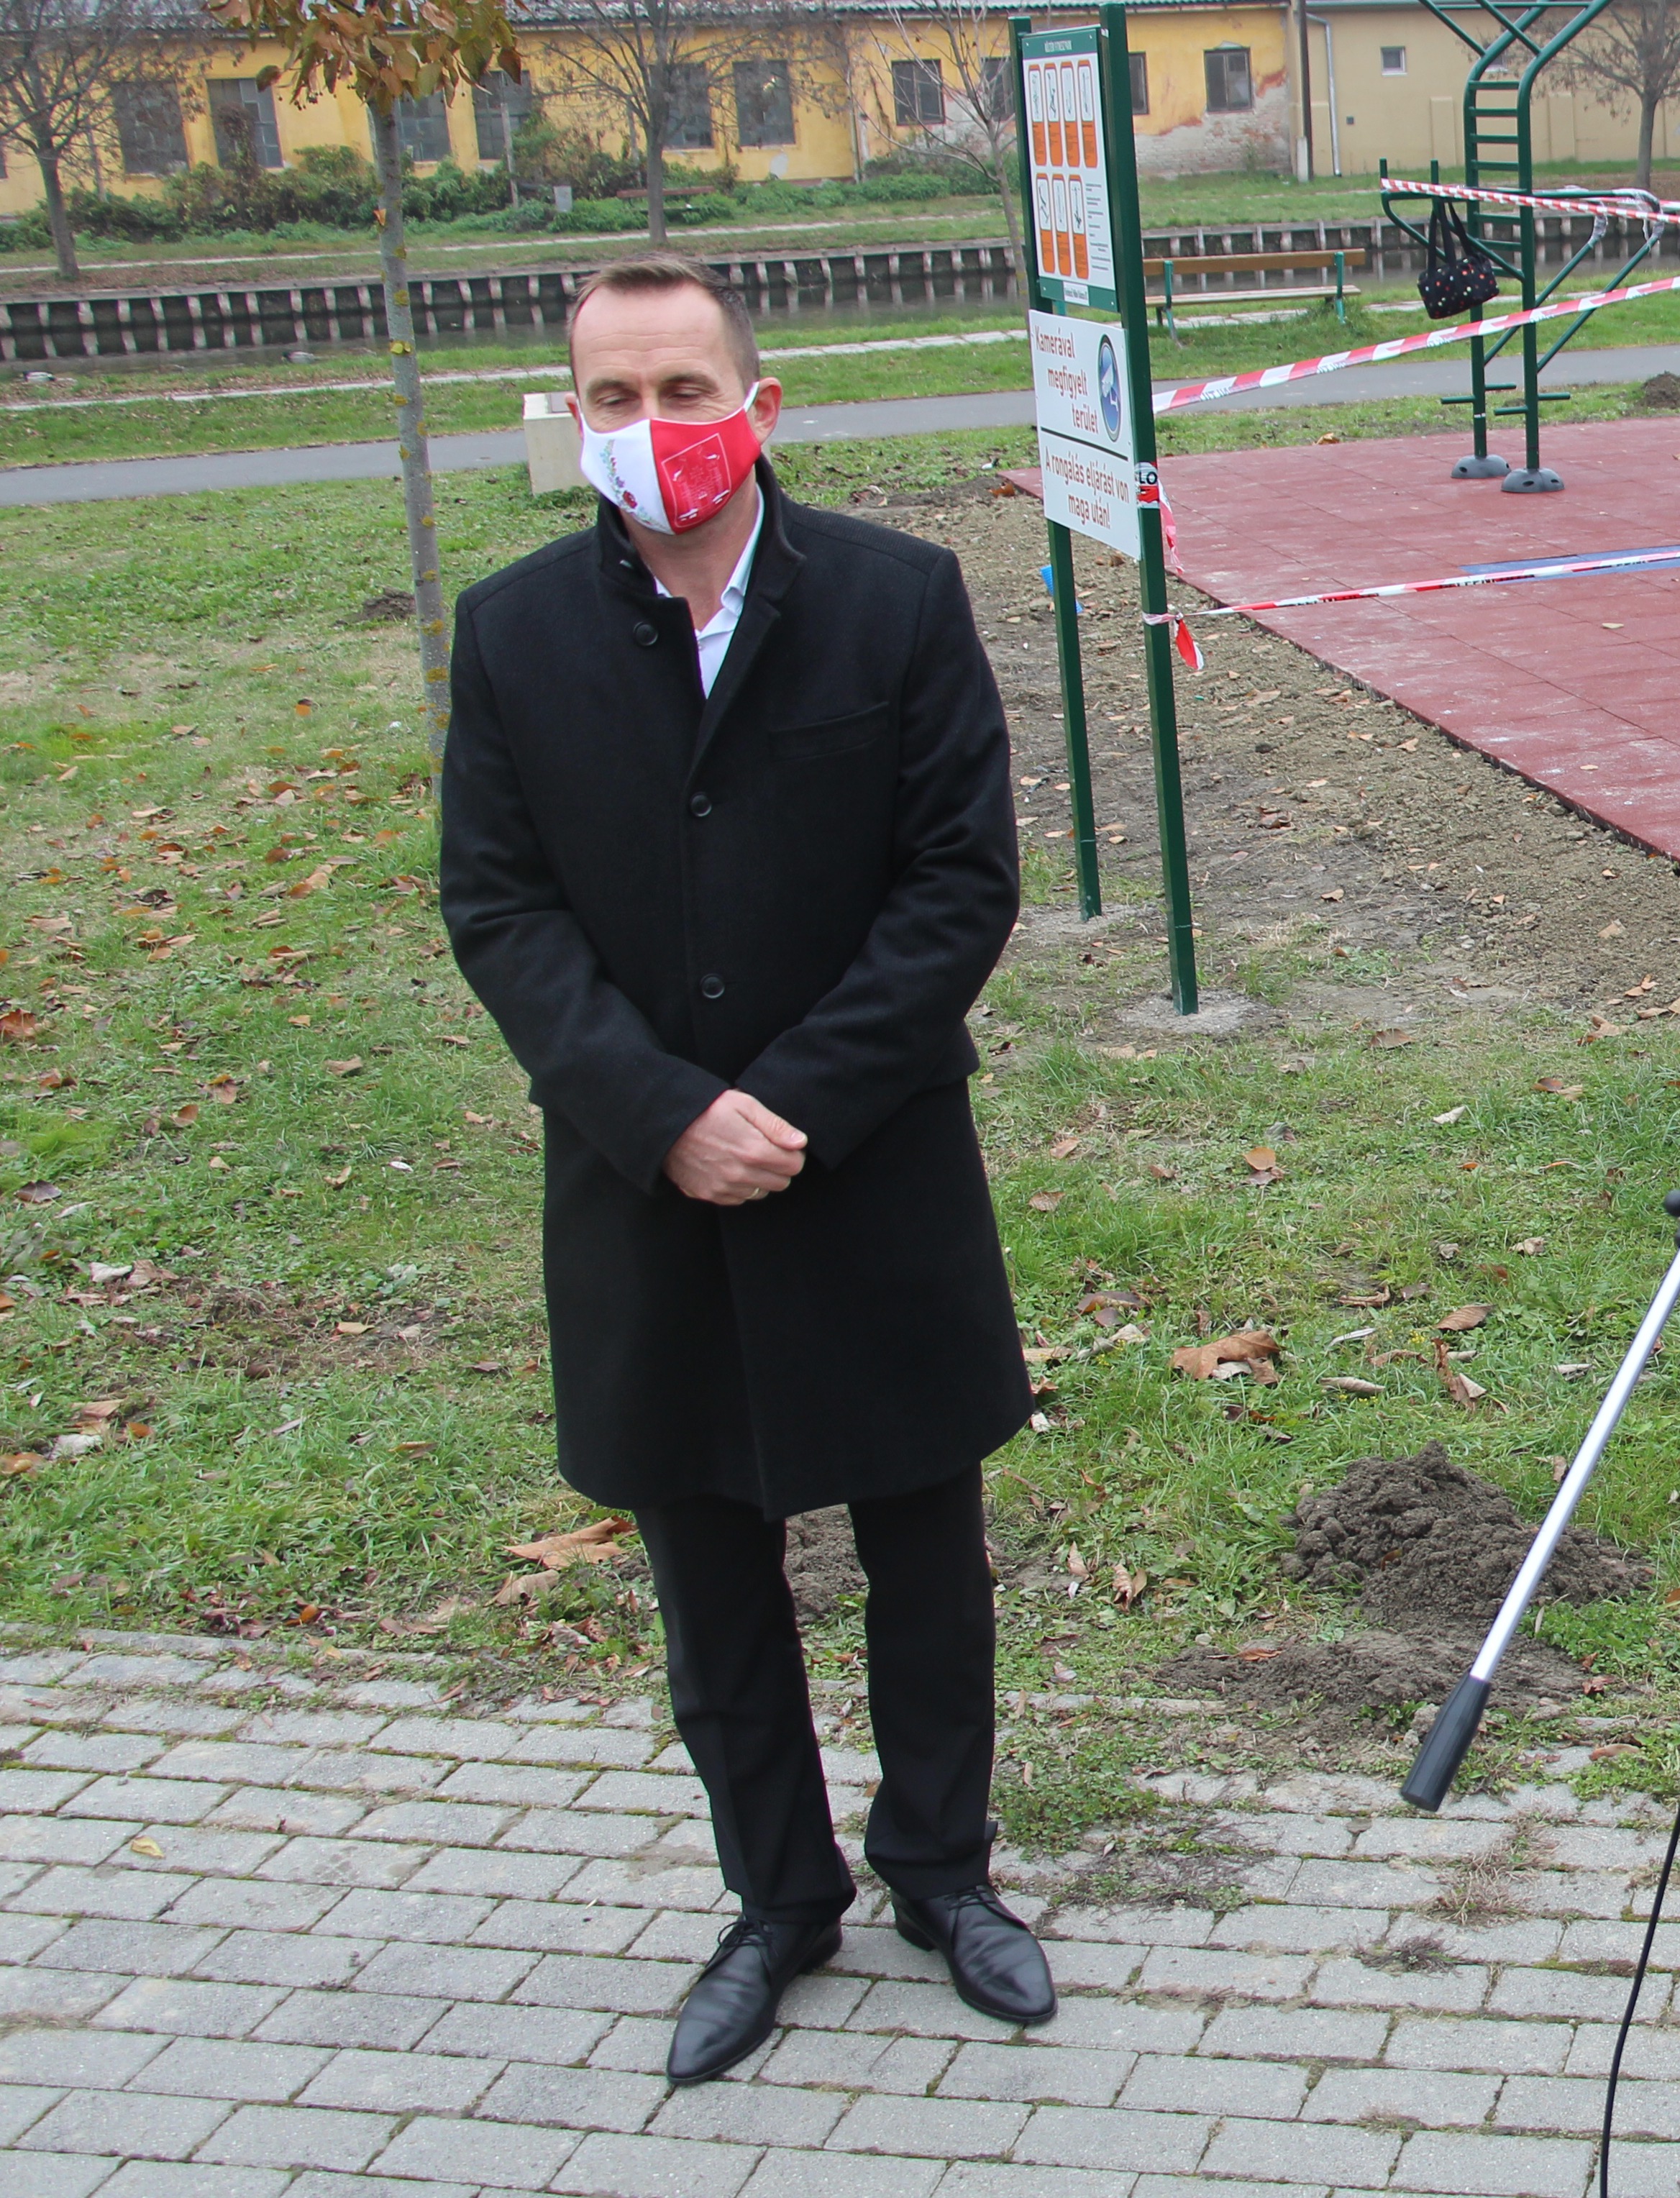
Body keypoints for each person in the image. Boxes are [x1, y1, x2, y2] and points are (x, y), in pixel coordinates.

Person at [438, 251, 1051, 2087]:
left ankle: (944, 1872)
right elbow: (500, 901)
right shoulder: (515, 627)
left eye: (684, 392)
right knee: (710, 1569)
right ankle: (776, 1898)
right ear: (574, 421)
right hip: (646, 1190)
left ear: (757, 405)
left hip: (867, 1169)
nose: (653, 431)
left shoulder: (894, 600)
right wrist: (658, 1109)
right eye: (612, 400)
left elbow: (959, 878)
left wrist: (789, 1099)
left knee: (924, 1550)